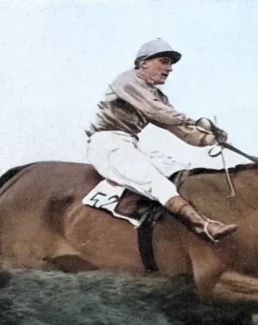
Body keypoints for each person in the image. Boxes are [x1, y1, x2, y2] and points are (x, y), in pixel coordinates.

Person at [85, 38, 238, 241]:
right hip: (107, 144)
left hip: (129, 143)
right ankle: (203, 226)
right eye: (164, 61)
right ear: (144, 63)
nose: (170, 69)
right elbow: (156, 111)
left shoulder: (159, 96)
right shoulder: (128, 80)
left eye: (171, 64)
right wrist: (198, 121)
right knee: (158, 183)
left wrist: (211, 139)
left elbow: (180, 129)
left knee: (179, 170)